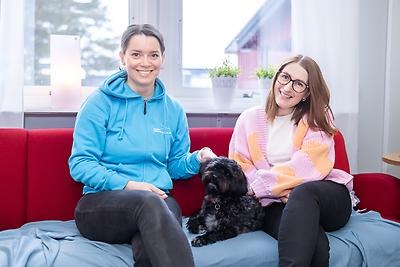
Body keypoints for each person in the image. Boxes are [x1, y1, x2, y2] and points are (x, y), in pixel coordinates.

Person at [68, 24, 216, 267]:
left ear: (163, 59)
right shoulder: (98, 103)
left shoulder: (174, 109)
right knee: (150, 204)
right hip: (101, 204)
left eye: (153, 55)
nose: (145, 62)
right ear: (122, 57)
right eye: (136, 54)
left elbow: (174, 166)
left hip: (157, 201)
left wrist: (197, 158)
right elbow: (80, 164)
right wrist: (128, 185)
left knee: (154, 238)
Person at [229, 55, 355, 267]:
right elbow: (240, 166)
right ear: (277, 77)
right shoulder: (249, 119)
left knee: (303, 193)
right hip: (273, 203)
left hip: (325, 197)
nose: (287, 87)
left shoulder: (317, 117)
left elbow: (308, 166)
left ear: (307, 92)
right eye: (285, 77)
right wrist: (278, 190)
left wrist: (269, 186)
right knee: (316, 247)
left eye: (298, 84)